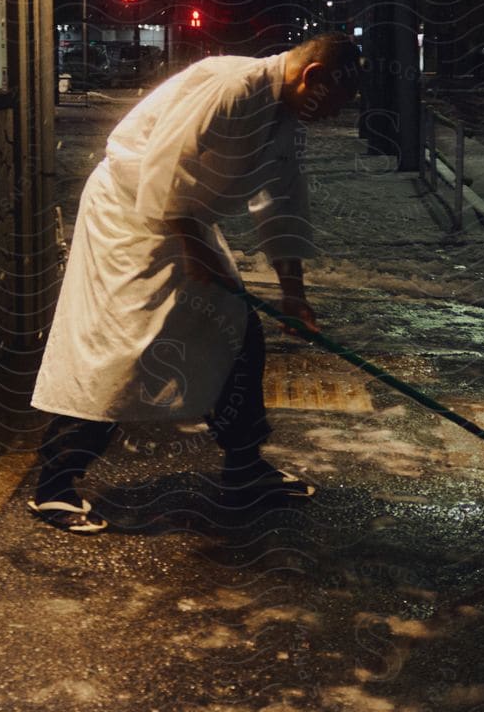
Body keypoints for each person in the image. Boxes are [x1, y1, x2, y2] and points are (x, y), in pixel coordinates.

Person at [27, 33, 362, 533]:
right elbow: (164, 168)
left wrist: (294, 292)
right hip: (130, 215)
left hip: (185, 218)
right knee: (119, 348)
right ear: (312, 77)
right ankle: (53, 484)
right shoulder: (233, 87)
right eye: (334, 103)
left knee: (236, 329)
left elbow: (281, 202)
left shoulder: (284, 117)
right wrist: (192, 246)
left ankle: (245, 466)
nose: (332, 115)